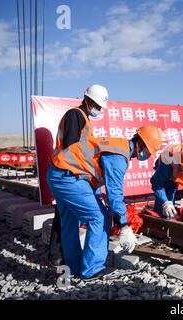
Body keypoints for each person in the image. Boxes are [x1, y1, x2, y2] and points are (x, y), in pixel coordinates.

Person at [46, 125, 163, 280]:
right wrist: (124, 226)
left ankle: (73, 268)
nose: (146, 156)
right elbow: (114, 194)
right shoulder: (119, 157)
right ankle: (92, 269)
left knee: (69, 221)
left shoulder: (118, 146)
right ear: (140, 144)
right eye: (148, 152)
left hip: (57, 174)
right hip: (70, 178)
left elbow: (92, 174)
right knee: (99, 217)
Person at [48, 84, 109, 266]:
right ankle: (80, 264)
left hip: (68, 173)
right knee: (94, 217)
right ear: (88, 100)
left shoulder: (83, 118)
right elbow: (72, 149)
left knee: (65, 216)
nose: (98, 110)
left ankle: (62, 259)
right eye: (97, 106)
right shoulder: (76, 115)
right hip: (69, 173)